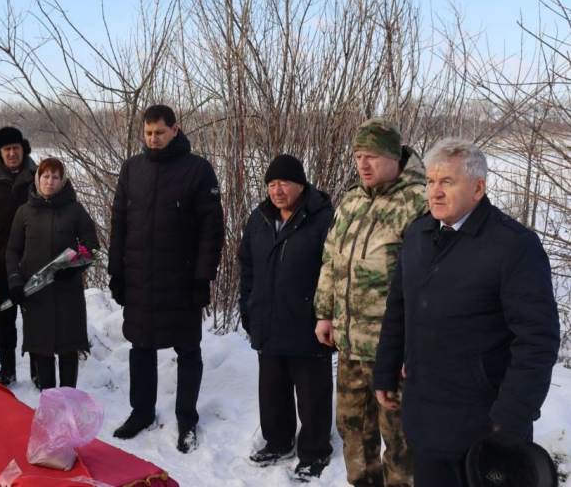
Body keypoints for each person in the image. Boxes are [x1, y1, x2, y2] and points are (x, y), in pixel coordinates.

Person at [373, 138, 560, 487]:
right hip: (426, 415)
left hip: (484, 424)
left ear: (478, 188)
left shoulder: (513, 245)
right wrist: (385, 369)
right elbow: (399, 307)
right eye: (430, 181)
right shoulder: (418, 234)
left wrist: (511, 418)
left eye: (447, 181)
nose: (434, 192)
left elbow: (537, 340)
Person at [314, 118, 427, 487]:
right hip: (350, 343)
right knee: (353, 429)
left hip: (391, 350)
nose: (363, 164)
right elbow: (331, 259)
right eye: (359, 156)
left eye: (372, 156)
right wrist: (324, 314)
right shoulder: (353, 200)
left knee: (399, 440)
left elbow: (426, 282)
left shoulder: (418, 202)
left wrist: (413, 345)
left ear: (394, 157)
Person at [108, 104, 224, 454]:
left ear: (175, 129)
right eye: (148, 133)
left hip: (181, 279)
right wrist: (117, 272)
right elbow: (119, 222)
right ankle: (141, 412)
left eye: (159, 132)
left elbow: (211, 230)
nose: (153, 139)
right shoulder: (132, 168)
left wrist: (203, 278)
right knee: (140, 347)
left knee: (187, 349)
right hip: (140, 276)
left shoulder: (197, 170)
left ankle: (186, 419)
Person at [239, 154, 335, 481]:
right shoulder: (260, 218)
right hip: (268, 318)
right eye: (271, 184)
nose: (277, 191)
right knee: (272, 391)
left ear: (301, 185)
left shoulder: (322, 218)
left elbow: (334, 271)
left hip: (307, 323)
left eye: (284, 183)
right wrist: (248, 305)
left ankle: (315, 451)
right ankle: (278, 442)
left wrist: (326, 315)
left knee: (312, 395)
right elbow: (247, 265)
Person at [5, 158, 99, 389]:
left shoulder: (75, 210)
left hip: (68, 293)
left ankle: (68, 399)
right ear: (38, 178)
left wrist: (74, 267)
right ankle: (48, 400)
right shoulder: (24, 212)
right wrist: (15, 281)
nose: (50, 182)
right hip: (37, 293)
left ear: (62, 181)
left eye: (55, 177)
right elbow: (13, 250)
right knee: (42, 349)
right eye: (45, 176)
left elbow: (92, 247)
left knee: (68, 349)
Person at [0, 127, 38, 386]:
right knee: (5, 319)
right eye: (7, 149)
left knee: (34, 320)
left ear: (23, 149)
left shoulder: (39, 176)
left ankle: (38, 370)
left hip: (34, 264)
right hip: (1, 265)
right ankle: (7, 370)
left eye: (16, 148)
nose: (12, 153)